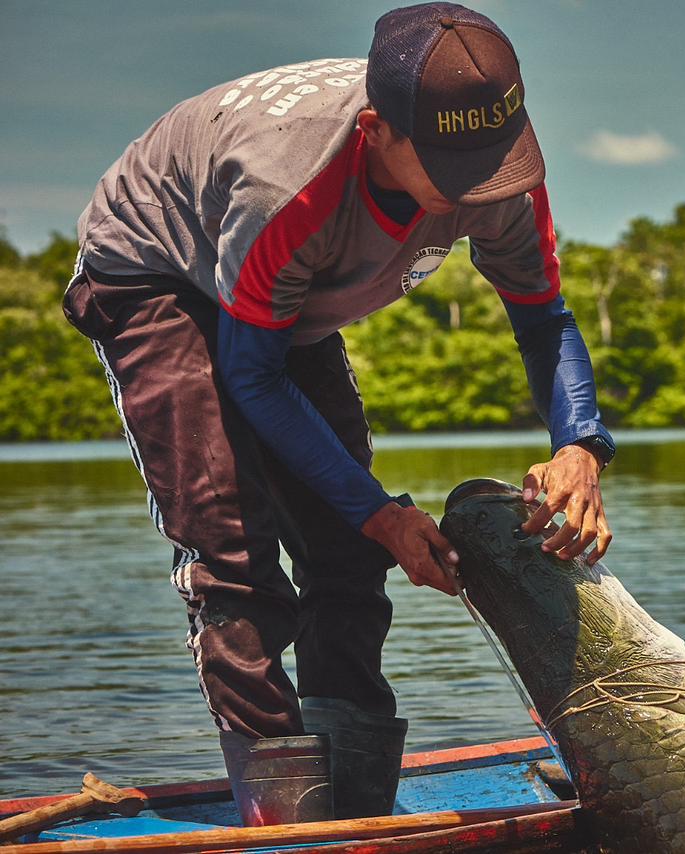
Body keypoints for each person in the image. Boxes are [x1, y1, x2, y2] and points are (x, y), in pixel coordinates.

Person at [63, 2, 614, 825]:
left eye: (492, 162)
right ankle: (288, 817)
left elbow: (543, 319)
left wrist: (580, 447)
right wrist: (381, 511)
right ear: (375, 130)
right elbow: (254, 378)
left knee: (351, 556)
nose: (478, 193)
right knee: (233, 551)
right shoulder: (290, 185)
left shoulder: (500, 174)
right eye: (452, 168)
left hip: (285, 301)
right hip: (159, 271)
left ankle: (356, 806)